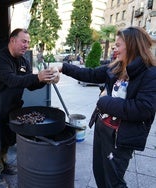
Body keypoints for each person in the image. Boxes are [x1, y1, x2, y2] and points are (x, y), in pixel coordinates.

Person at [57, 26, 156, 187]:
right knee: (100, 174)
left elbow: (143, 109)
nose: (114, 49)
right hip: (102, 128)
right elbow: (90, 74)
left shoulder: (150, 73)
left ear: (132, 45)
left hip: (121, 137)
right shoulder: (117, 66)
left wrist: (104, 102)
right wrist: (63, 67)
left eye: (118, 45)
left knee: (114, 181)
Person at [0, 28, 58, 188]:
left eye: (28, 42)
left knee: (7, 136)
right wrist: (37, 76)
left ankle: (4, 163)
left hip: (10, 105)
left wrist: (45, 80)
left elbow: (30, 85)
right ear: (12, 40)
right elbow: (12, 80)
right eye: (24, 41)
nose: (26, 45)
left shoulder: (24, 61)